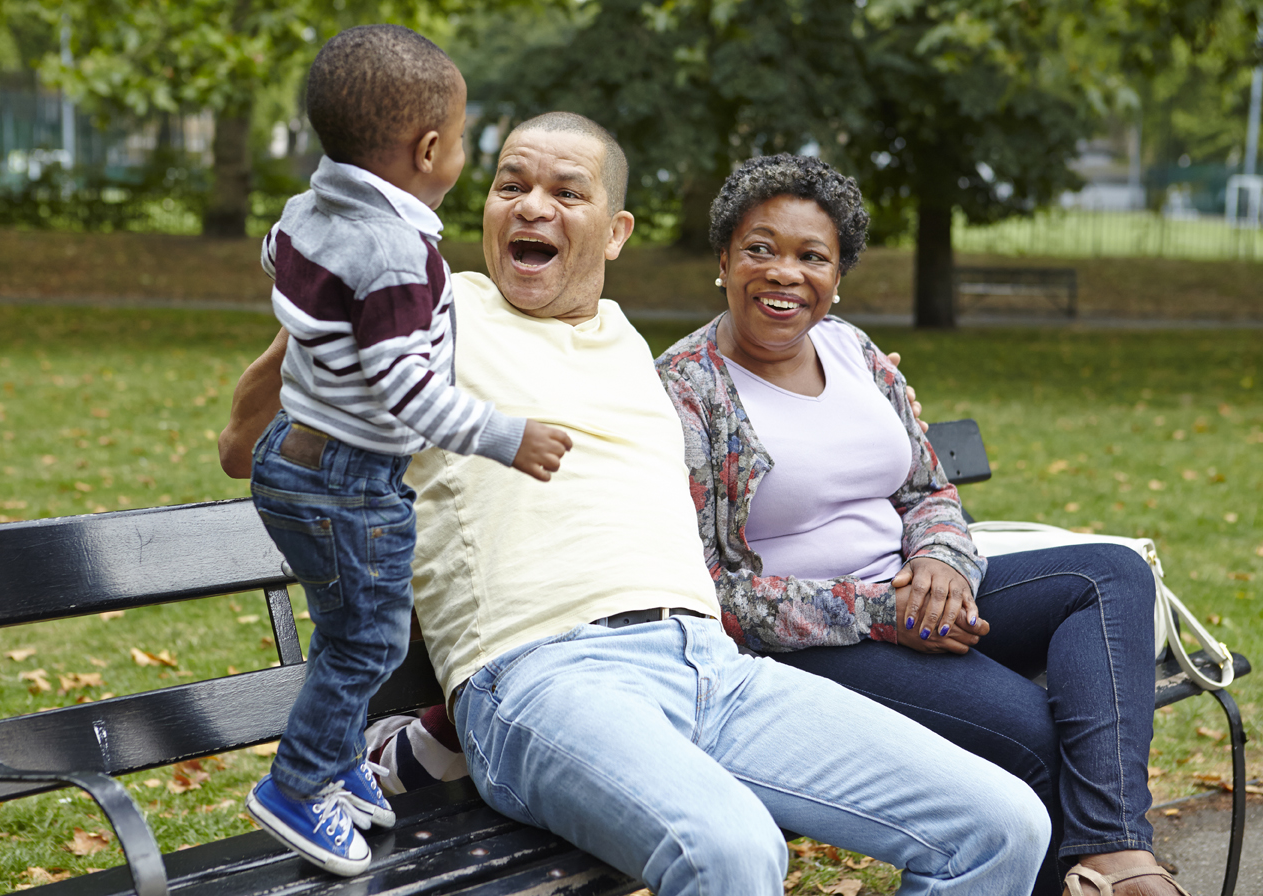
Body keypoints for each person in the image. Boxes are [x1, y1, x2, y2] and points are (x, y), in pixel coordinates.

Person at [221, 111, 1051, 896]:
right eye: (511, 186)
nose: (532, 207)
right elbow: (242, 449)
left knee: (1000, 824)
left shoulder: (635, 349)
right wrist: (320, 322)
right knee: (731, 849)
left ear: (615, 232)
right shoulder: (438, 314)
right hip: (541, 680)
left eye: (567, 192)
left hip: (713, 669)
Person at [655, 153, 1188, 896]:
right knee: (1032, 735)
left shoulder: (853, 349)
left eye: (813, 256)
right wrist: (882, 613)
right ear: (722, 260)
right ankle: (1111, 872)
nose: (785, 273)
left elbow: (929, 486)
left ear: (838, 276)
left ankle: (1111, 852)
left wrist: (940, 563)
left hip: (918, 593)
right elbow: (712, 591)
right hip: (813, 645)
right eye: (760, 249)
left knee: (1109, 576)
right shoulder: (687, 389)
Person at [241, 26, 572, 876]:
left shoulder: (310, 210)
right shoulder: (398, 256)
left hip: (294, 455)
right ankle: (297, 783)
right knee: (368, 644)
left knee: (346, 626)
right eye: (464, 137)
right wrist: (507, 435)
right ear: (430, 149)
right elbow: (409, 392)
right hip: (349, 480)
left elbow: (281, 267)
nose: (464, 150)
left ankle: (337, 753)